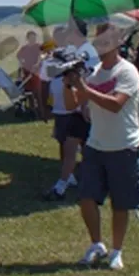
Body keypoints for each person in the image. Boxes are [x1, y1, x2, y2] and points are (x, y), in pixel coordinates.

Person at [67, 27, 139, 271]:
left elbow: (116, 105)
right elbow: (72, 104)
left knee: (120, 203)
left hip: (124, 145)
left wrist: (85, 88)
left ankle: (117, 251)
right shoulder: (94, 72)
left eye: (105, 42)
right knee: (86, 197)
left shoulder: (127, 72)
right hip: (96, 144)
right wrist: (69, 82)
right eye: (97, 42)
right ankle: (96, 244)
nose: (100, 47)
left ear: (117, 44)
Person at [43, 61, 89, 201]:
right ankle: (61, 186)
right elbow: (71, 105)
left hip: (98, 121)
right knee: (69, 151)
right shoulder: (67, 83)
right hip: (79, 118)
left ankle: (93, 183)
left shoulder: (94, 76)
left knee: (92, 155)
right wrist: (68, 85)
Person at [16, 30, 47, 119]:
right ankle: (33, 113)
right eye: (31, 38)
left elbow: (43, 55)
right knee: (29, 94)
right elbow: (19, 57)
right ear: (27, 38)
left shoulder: (38, 47)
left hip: (36, 73)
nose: (33, 40)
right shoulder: (24, 48)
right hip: (27, 73)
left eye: (34, 38)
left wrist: (38, 63)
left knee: (38, 94)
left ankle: (41, 113)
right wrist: (22, 63)